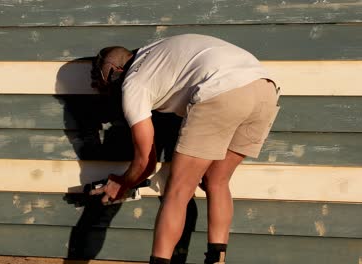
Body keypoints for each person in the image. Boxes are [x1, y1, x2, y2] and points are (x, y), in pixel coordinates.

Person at [89, 34, 280, 264]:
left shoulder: (134, 83)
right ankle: (217, 260)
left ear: (114, 72)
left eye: (101, 82)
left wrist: (122, 183)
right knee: (216, 181)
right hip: (264, 88)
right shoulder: (154, 50)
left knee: (178, 191)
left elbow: (145, 163)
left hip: (222, 89)